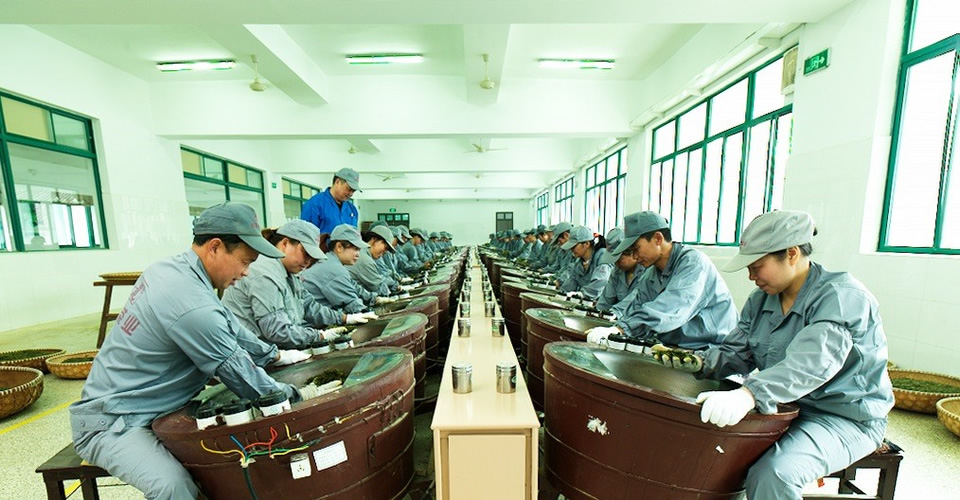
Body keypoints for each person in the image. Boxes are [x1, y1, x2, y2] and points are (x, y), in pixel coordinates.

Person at [69, 203, 329, 499]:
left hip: (157, 406)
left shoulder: (177, 272)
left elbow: (232, 327)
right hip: (114, 421)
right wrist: (298, 396)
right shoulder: (188, 300)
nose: (246, 273)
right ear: (215, 247)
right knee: (173, 486)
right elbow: (238, 372)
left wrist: (275, 356)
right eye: (245, 262)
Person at [655, 210, 894, 500]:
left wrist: (749, 394)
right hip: (785, 407)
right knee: (714, 449)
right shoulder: (761, 301)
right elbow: (736, 353)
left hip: (843, 417)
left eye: (757, 266)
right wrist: (699, 362)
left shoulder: (842, 297)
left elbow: (811, 364)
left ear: (791, 254)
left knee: (775, 474)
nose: (751, 276)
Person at [585, 211, 737, 350]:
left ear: (658, 238)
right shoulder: (651, 275)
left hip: (711, 350)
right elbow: (636, 308)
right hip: (673, 346)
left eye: (636, 249)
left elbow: (672, 306)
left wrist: (622, 329)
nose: (635, 257)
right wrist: (613, 329)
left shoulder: (693, 263)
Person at [222, 220, 372, 350]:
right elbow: (276, 330)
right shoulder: (265, 273)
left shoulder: (290, 272)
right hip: (252, 354)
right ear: (285, 243)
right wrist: (319, 335)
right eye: (305, 253)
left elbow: (309, 306)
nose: (308, 261)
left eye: (312, 257)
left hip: (273, 349)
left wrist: (345, 319)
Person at [302, 224, 396, 312]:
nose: (358, 254)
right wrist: (370, 313)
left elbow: (354, 287)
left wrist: (374, 299)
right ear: (339, 247)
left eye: (359, 250)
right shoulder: (333, 268)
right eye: (355, 249)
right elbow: (351, 303)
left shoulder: (332, 262)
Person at [596, 227, 645, 312]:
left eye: (618, 259)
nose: (616, 263)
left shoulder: (647, 272)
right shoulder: (616, 272)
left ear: (632, 252)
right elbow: (605, 301)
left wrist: (615, 313)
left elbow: (635, 299)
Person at [558, 225, 612, 300]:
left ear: (586, 244)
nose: (571, 249)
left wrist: (582, 294)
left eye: (574, 246)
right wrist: (561, 293)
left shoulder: (602, 256)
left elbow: (601, 281)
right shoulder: (579, 262)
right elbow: (572, 281)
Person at [300, 167, 361, 234]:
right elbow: (305, 235)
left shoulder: (352, 209)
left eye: (353, 191)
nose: (351, 194)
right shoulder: (314, 205)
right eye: (348, 189)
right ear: (337, 182)